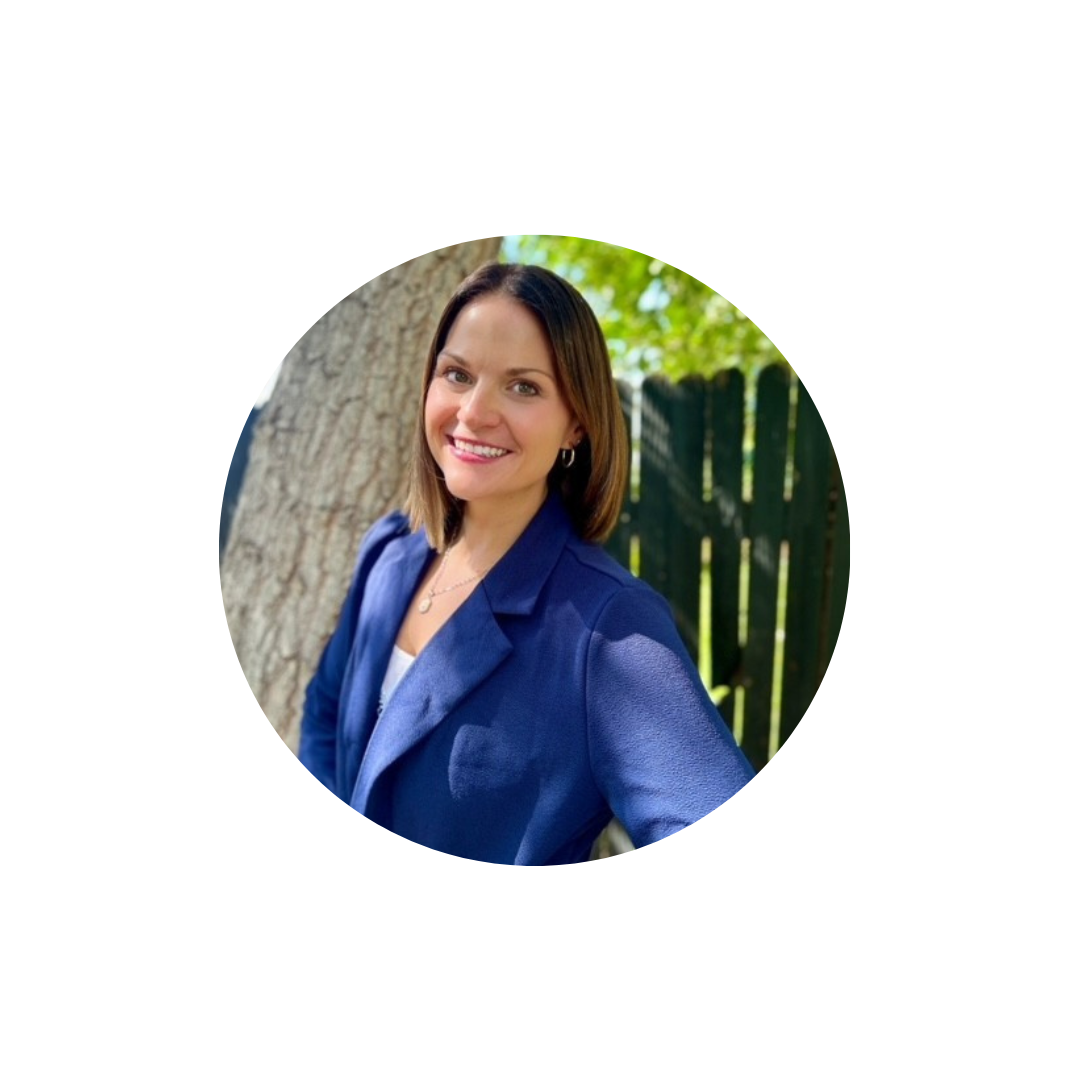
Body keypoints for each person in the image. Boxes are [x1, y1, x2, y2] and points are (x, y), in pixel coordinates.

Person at [298, 262, 754, 864]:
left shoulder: (611, 630)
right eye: (457, 374)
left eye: (523, 387)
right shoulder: (389, 552)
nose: (474, 412)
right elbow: (326, 718)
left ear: (577, 425)